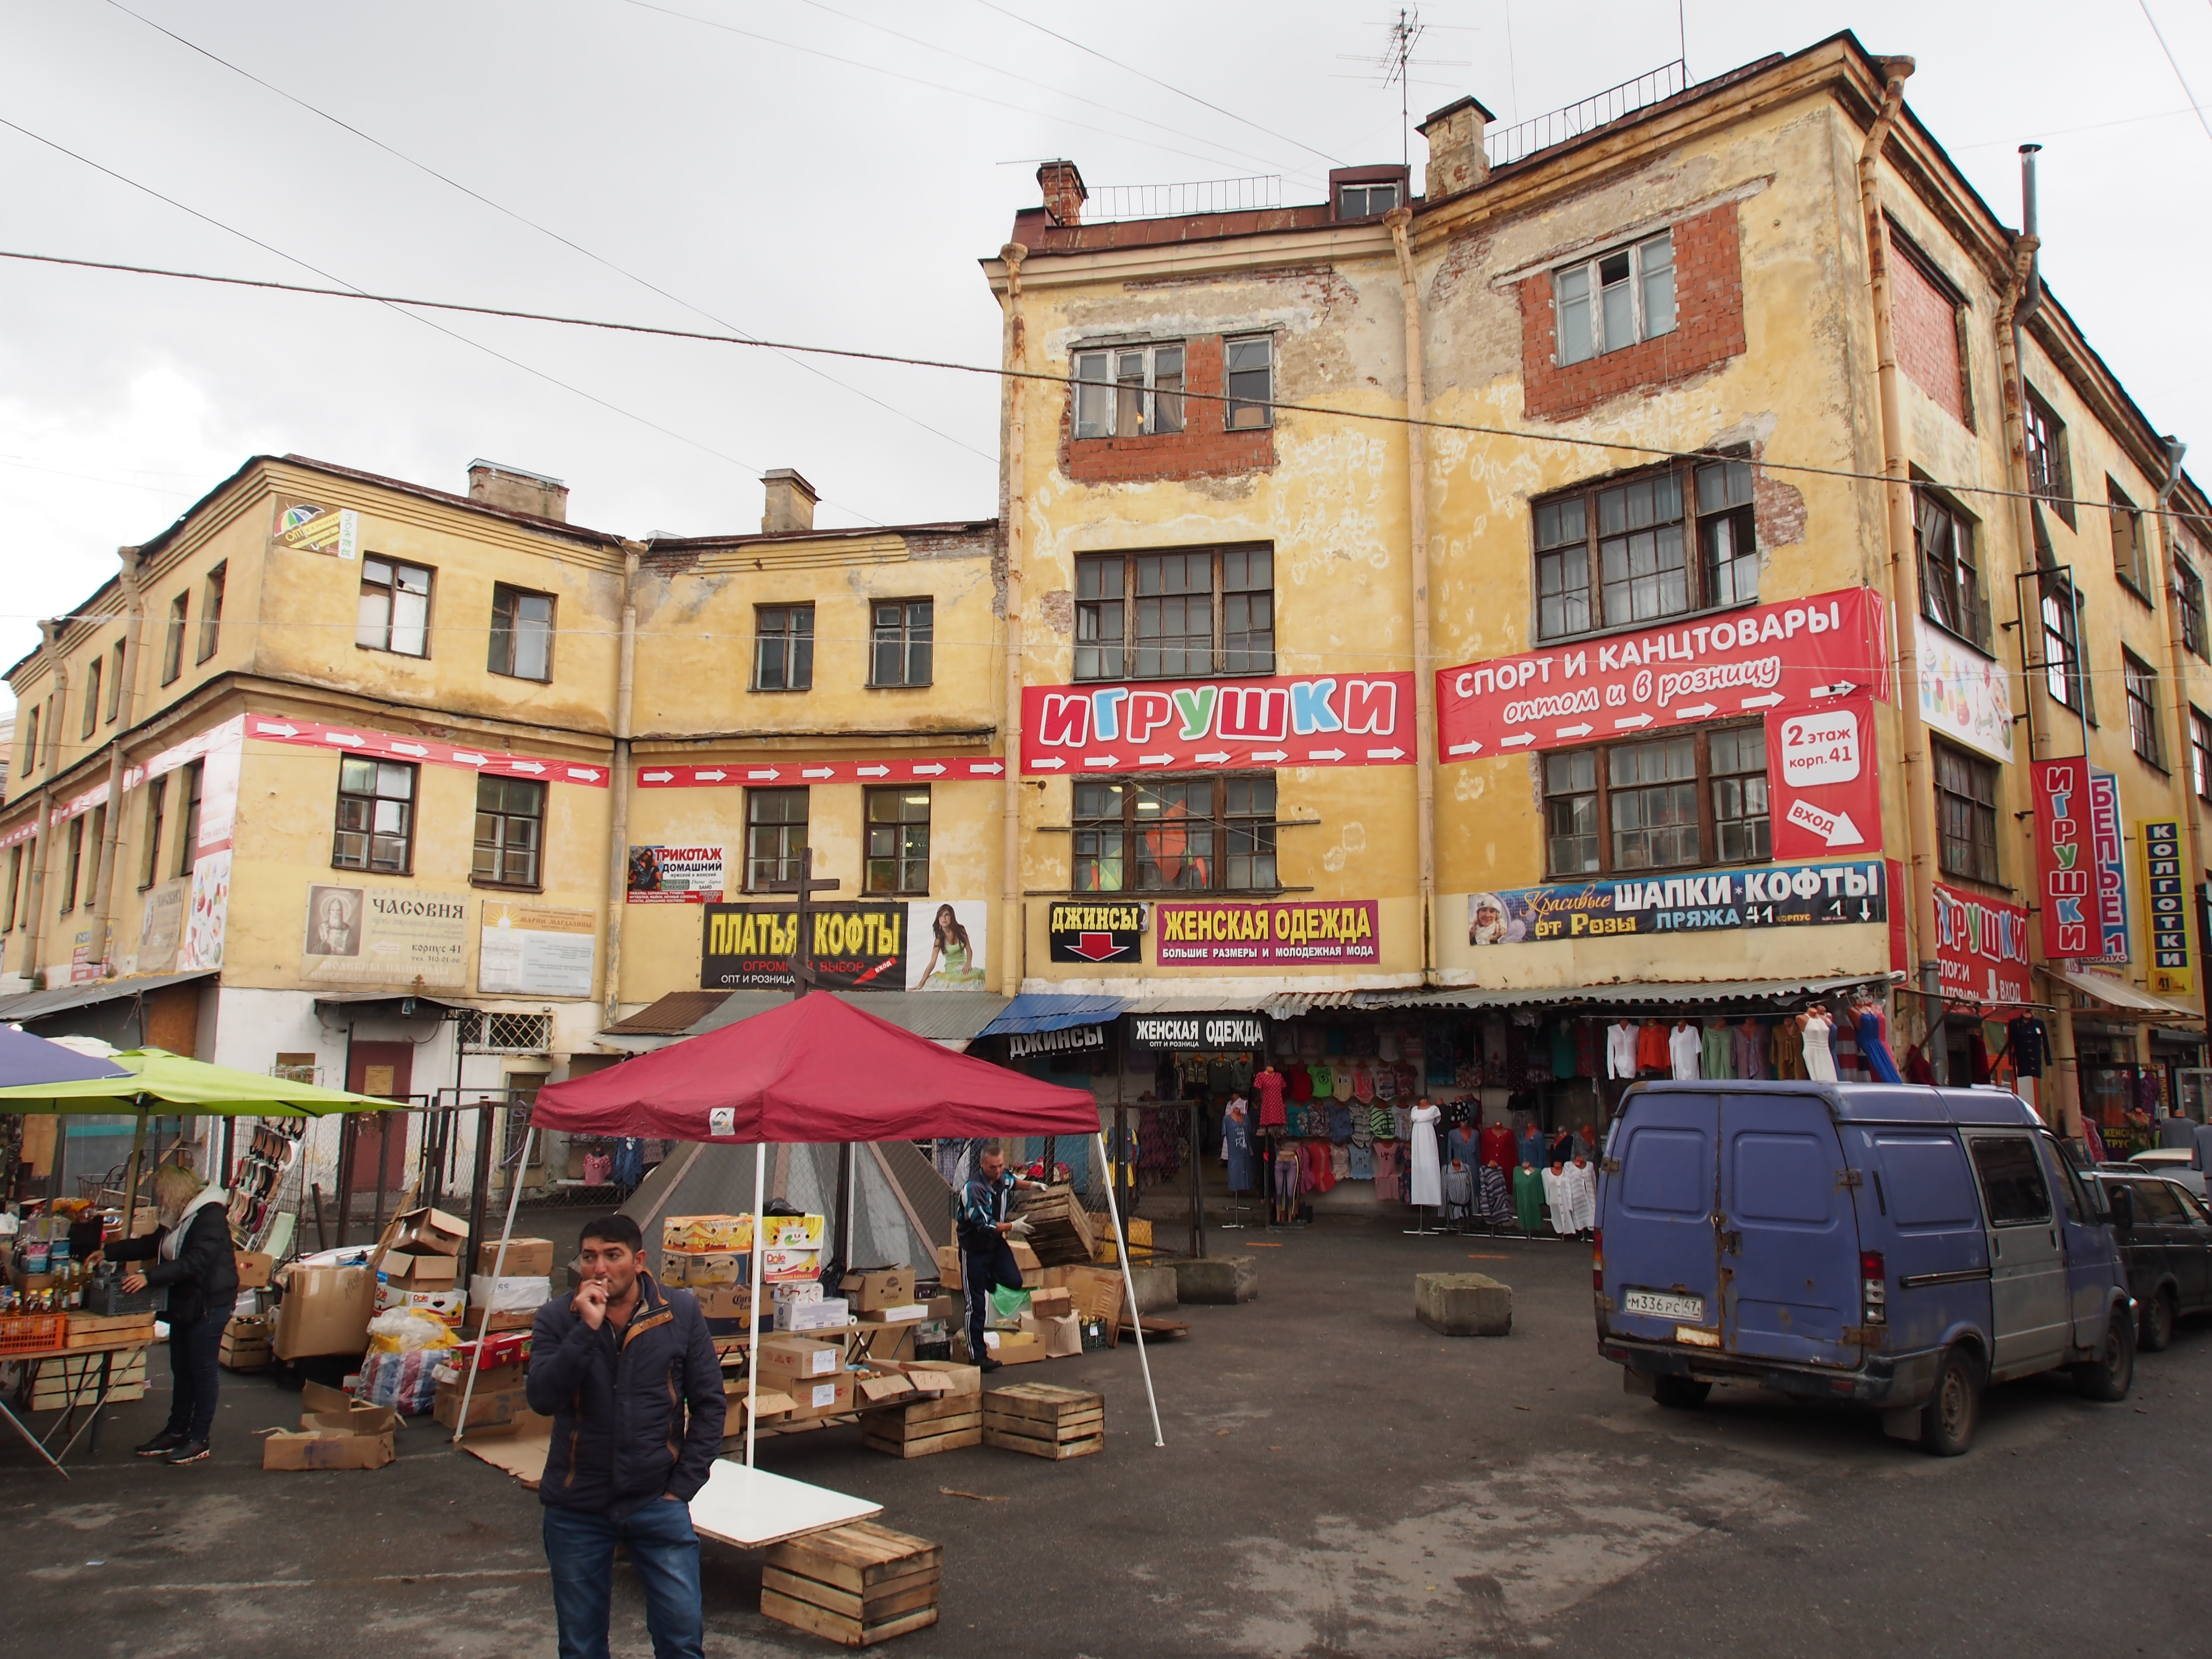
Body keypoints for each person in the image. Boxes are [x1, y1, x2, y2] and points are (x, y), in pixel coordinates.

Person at [528, 1214, 725, 1659]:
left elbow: (711, 1404)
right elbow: (542, 1398)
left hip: (657, 1500)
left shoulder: (679, 1312)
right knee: (581, 1645)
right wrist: (585, 1330)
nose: (599, 1269)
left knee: (681, 1639)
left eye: (612, 1256)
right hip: (577, 1504)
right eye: (590, 1257)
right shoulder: (557, 1319)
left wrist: (683, 1487)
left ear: (637, 1261)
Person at [94, 1161, 237, 1465]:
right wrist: (109, 1251)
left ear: (176, 1191)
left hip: (210, 1301)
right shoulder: (180, 1214)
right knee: (182, 1368)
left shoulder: (209, 1215)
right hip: (186, 1300)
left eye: (161, 1193)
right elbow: (153, 1244)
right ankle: (176, 1430)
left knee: (202, 1370)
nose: (160, 1200)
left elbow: (197, 1260)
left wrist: (150, 1277)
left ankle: (199, 1437)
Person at [956, 1144, 1045, 1371]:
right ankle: (978, 1356)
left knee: (1015, 1281)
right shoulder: (974, 1189)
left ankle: (988, 1275)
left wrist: (1034, 1185)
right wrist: (1013, 1225)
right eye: (993, 1167)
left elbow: (1012, 1181)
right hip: (974, 1249)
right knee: (976, 1307)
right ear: (982, 1165)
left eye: (1000, 1166)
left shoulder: (1001, 1176)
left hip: (995, 1245)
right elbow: (984, 1225)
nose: (998, 1171)